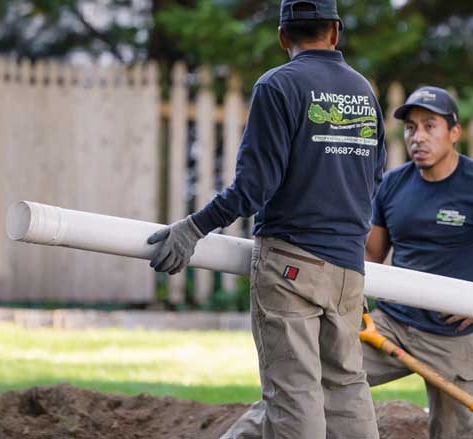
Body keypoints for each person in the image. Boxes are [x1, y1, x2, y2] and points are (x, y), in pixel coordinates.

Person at [220, 86, 473, 439]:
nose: (417, 137)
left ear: (455, 133)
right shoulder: (394, 185)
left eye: (429, 126)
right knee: (303, 386)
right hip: (390, 326)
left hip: (454, 339)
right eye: (410, 128)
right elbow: (371, 254)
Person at [146, 1, 386, 438]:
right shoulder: (362, 91)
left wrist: (194, 227)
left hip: (293, 264)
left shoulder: (279, 86)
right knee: (347, 386)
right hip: (349, 270)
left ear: (282, 36)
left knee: (296, 394)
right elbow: (374, 178)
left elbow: (254, 187)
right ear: (335, 31)